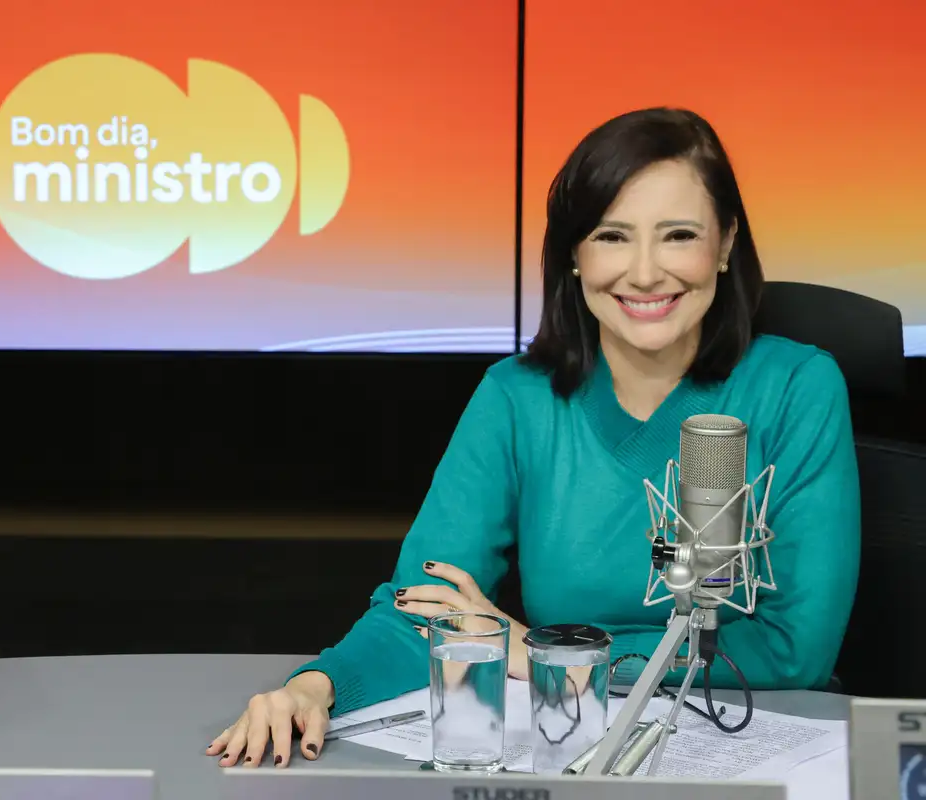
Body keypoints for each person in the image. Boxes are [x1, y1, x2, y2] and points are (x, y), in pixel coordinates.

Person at [207, 107, 860, 768]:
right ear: (574, 254)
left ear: (724, 245)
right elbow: (428, 608)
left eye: (678, 236)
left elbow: (793, 650)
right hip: (570, 748)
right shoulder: (515, 398)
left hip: (748, 749)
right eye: (611, 236)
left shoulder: (797, 387)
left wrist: (548, 653)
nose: (644, 273)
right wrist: (313, 688)